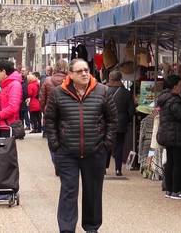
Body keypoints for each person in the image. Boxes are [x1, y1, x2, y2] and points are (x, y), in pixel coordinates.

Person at [45, 58, 117, 233]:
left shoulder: (103, 91)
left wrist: (106, 144)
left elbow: (113, 120)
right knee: (69, 191)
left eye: (86, 70)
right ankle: (67, 228)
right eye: (79, 71)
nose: (84, 73)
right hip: (67, 152)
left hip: (95, 151)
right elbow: (50, 120)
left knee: (93, 191)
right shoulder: (58, 93)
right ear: (70, 74)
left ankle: (92, 227)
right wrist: (55, 145)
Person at [156, 75, 181, 200]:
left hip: (169, 134)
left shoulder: (165, 98)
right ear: (174, 86)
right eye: (180, 84)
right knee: (179, 163)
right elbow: (180, 115)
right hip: (176, 134)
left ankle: (169, 189)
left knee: (171, 162)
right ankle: (176, 190)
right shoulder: (174, 99)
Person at [40, 59, 68, 175]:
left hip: (50, 114)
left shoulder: (47, 81)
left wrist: (44, 111)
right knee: (65, 139)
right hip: (66, 114)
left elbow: (42, 99)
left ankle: (56, 163)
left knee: (52, 140)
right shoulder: (69, 80)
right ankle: (64, 164)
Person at [105, 70, 134, 176]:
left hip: (107, 122)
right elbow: (131, 110)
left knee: (106, 144)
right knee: (119, 145)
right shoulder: (126, 93)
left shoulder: (105, 91)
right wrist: (128, 119)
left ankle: (104, 167)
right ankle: (118, 169)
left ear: (110, 78)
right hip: (121, 122)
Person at [0, 61, 23, 128]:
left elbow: (13, 107)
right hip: (3, 124)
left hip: (7, 125)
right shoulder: (6, 84)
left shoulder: (14, 85)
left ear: (4, 72)